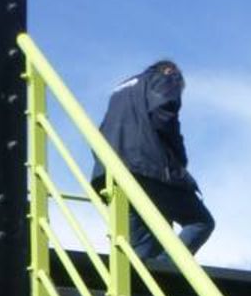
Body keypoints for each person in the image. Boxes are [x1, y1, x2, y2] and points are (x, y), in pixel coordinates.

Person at [92, 59, 215, 260]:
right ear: (169, 69)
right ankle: (167, 270)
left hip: (110, 170)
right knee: (200, 222)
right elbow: (163, 116)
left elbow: (103, 129)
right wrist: (179, 161)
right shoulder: (165, 78)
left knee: (143, 247)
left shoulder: (122, 90)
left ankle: (142, 285)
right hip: (145, 167)